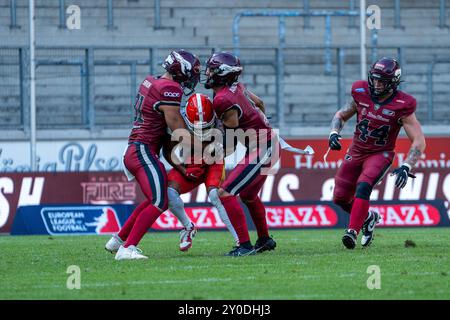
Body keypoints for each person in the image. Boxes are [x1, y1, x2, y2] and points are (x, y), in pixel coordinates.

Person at [105, 49, 201, 260]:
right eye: (191, 72)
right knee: (159, 201)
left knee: (153, 199)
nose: (193, 77)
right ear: (180, 70)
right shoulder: (170, 88)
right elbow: (177, 128)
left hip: (136, 149)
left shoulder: (151, 81)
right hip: (143, 151)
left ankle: (118, 240)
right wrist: (203, 144)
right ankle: (127, 249)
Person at [328, 57, 426, 249]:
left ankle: (352, 232)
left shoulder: (402, 104)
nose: (377, 84)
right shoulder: (360, 91)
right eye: (375, 79)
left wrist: (407, 165)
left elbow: (419, 140)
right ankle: (370, 218)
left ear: (393, 82)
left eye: (382, 80)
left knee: (363, 186)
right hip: (356, 151)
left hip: (381, 153)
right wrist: (334, 132)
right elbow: (341, 115)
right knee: (339, 197)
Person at [204, 51, 277, 256]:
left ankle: (244, 246)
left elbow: (231, 140)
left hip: (263, 149)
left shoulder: (223, 99)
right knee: (249, 195)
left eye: (211, 69)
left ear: (222, 73)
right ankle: (264, 239)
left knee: (225, 193)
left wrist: (211, 150)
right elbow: (260, 103)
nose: (207, 73)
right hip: (267, 145)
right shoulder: (235, 88)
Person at [163, 93, 239, 251]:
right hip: (191, 161)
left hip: (214, 160)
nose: (201, 131)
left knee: (215, 195)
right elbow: (168, 151)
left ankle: (240, 240)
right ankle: (188, 226)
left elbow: (232, 145)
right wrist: (183, 170)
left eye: (206, 127)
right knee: (169, 192)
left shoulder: (221, 114)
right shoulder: (177, 119)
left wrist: (215, 151)